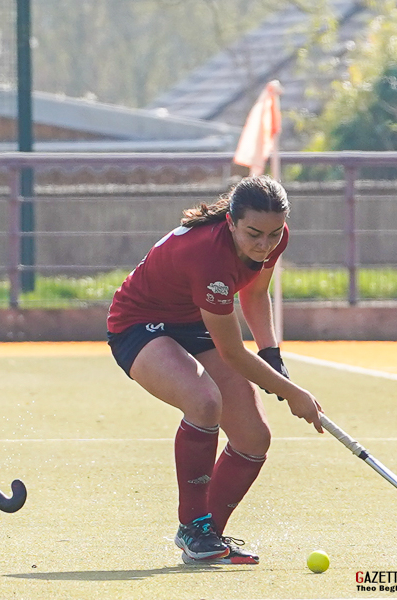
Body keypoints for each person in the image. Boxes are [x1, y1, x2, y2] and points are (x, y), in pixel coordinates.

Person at [106, 175, 323, 565]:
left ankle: (209, 539)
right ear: (231, 222)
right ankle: (192, 527)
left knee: (254, 438)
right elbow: (233, 352)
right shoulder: (208, 255)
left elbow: (255, 292)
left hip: (194, 320)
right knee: (204, 402)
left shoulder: (273, 236)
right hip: (138, 324)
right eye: (254, 234)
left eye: (274, 234)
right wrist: (292, 393)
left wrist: (271, 353)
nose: (264, 245)